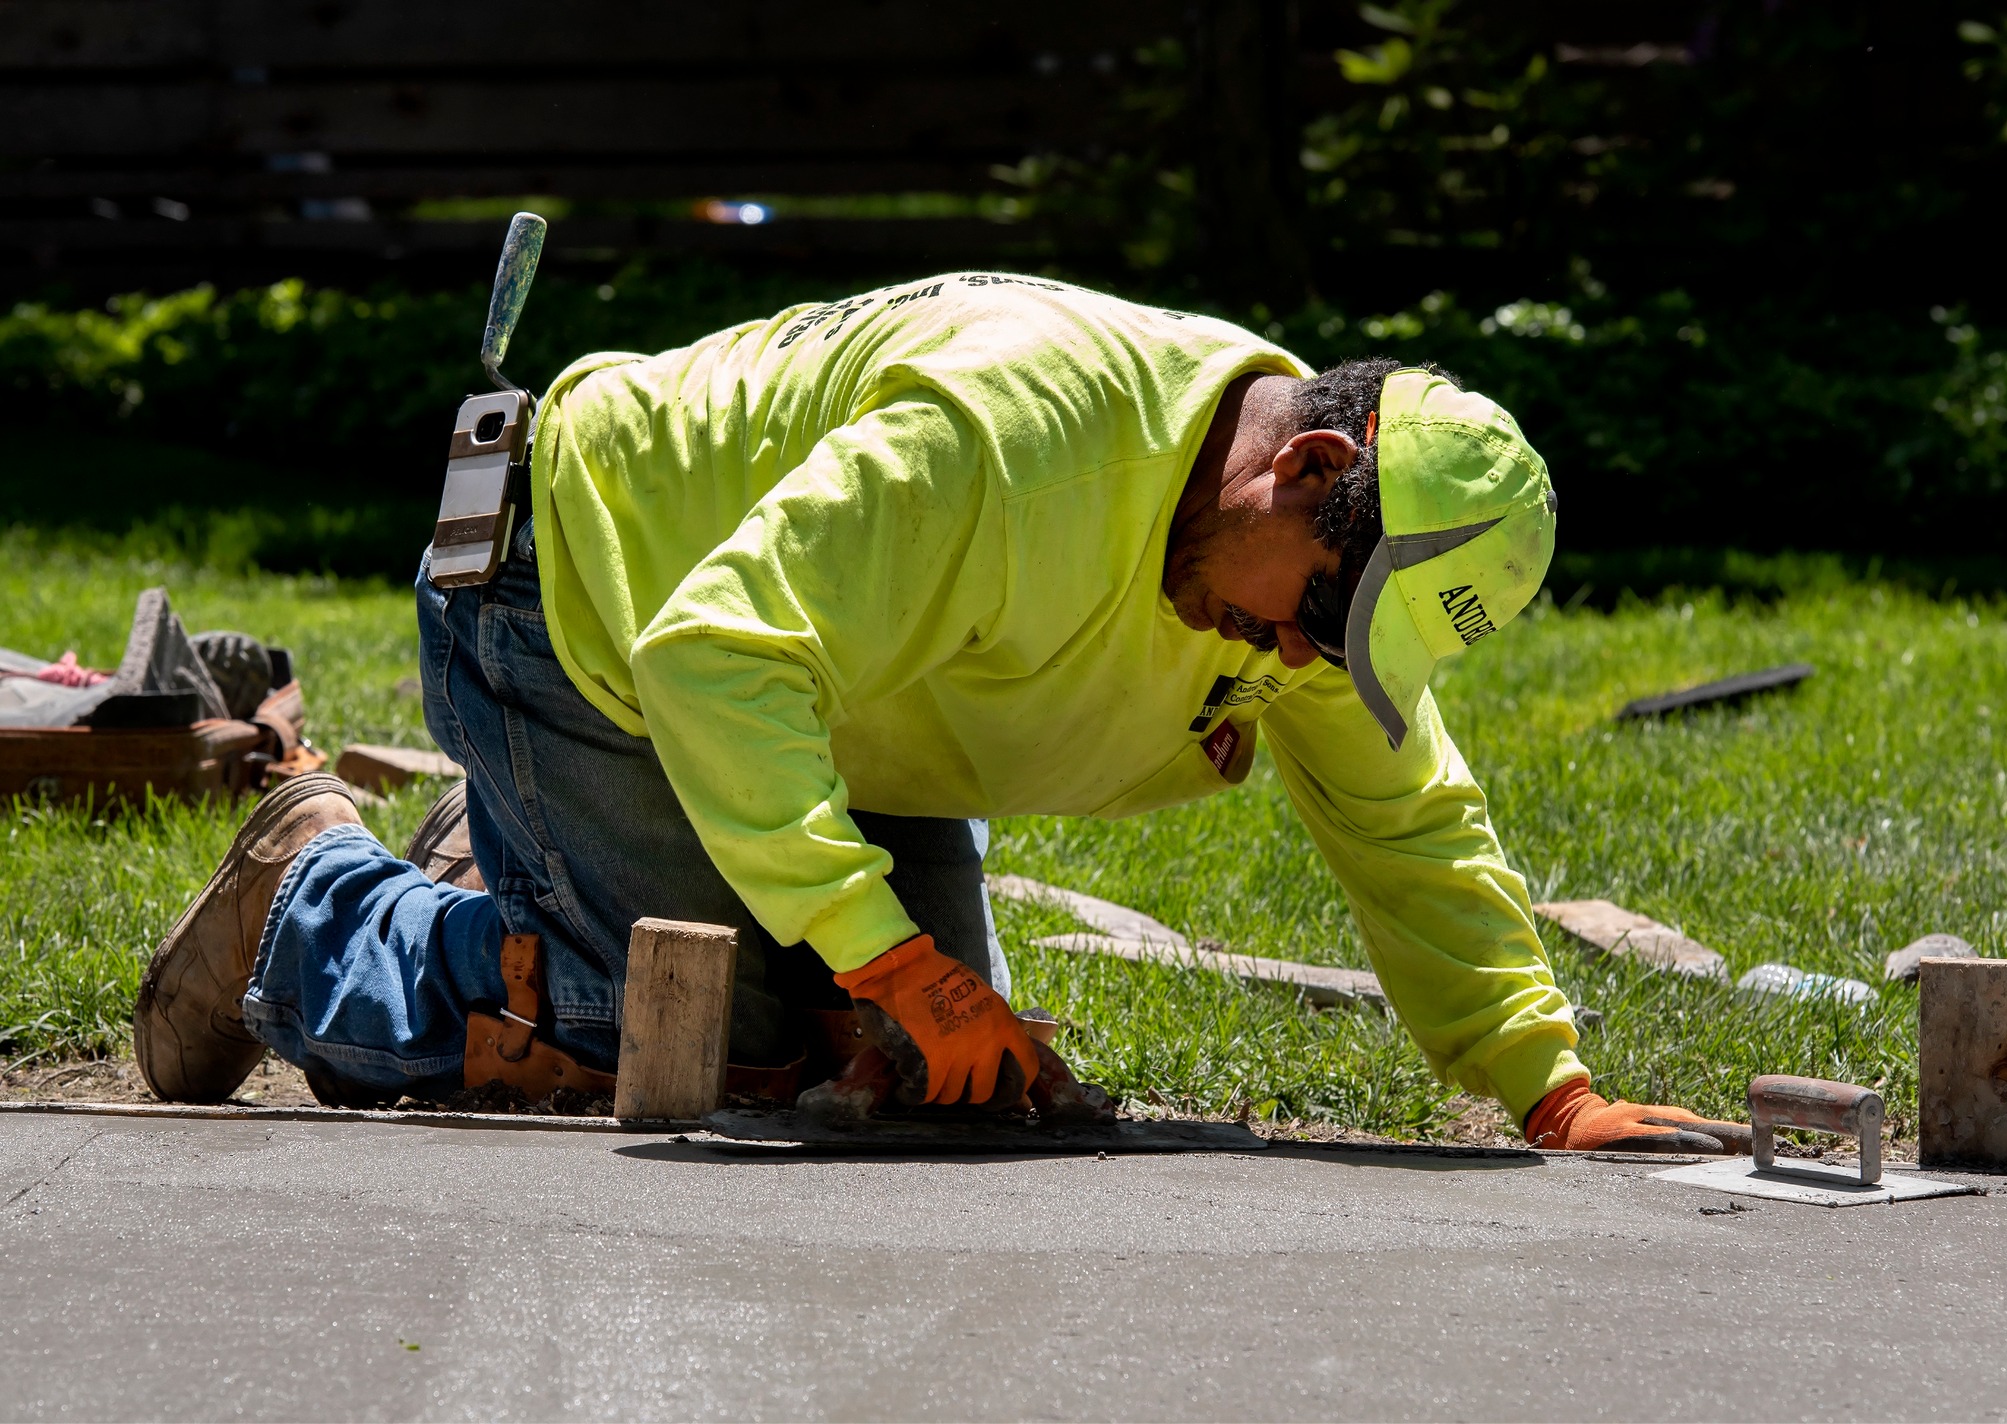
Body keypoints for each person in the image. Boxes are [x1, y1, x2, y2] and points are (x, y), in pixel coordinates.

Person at [135, 272, 1747, 1153]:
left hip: (839, 697)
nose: (1314, 665)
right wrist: (894, 962)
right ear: (1308, 469)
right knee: (712, 1045)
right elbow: (719, 653)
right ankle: (316, 905)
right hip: (591, 598)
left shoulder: (1286, 585)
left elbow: (1408, 817)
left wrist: (1550, 1087)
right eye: (1327, 618)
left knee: (920, 1076)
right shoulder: (1020, 433)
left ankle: (529, 872)